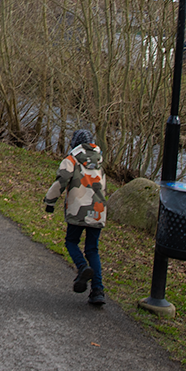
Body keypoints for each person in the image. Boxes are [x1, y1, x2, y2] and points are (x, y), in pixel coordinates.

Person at [43, 128, 107, 306]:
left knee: (71, 242)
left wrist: (50, 201)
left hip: (78, 209)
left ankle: (82, 268)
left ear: (74, 144)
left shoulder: (71, 160)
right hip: (98, 210)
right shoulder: (100, 161)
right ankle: (98, 291)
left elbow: (61, 181)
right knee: (92, 250)